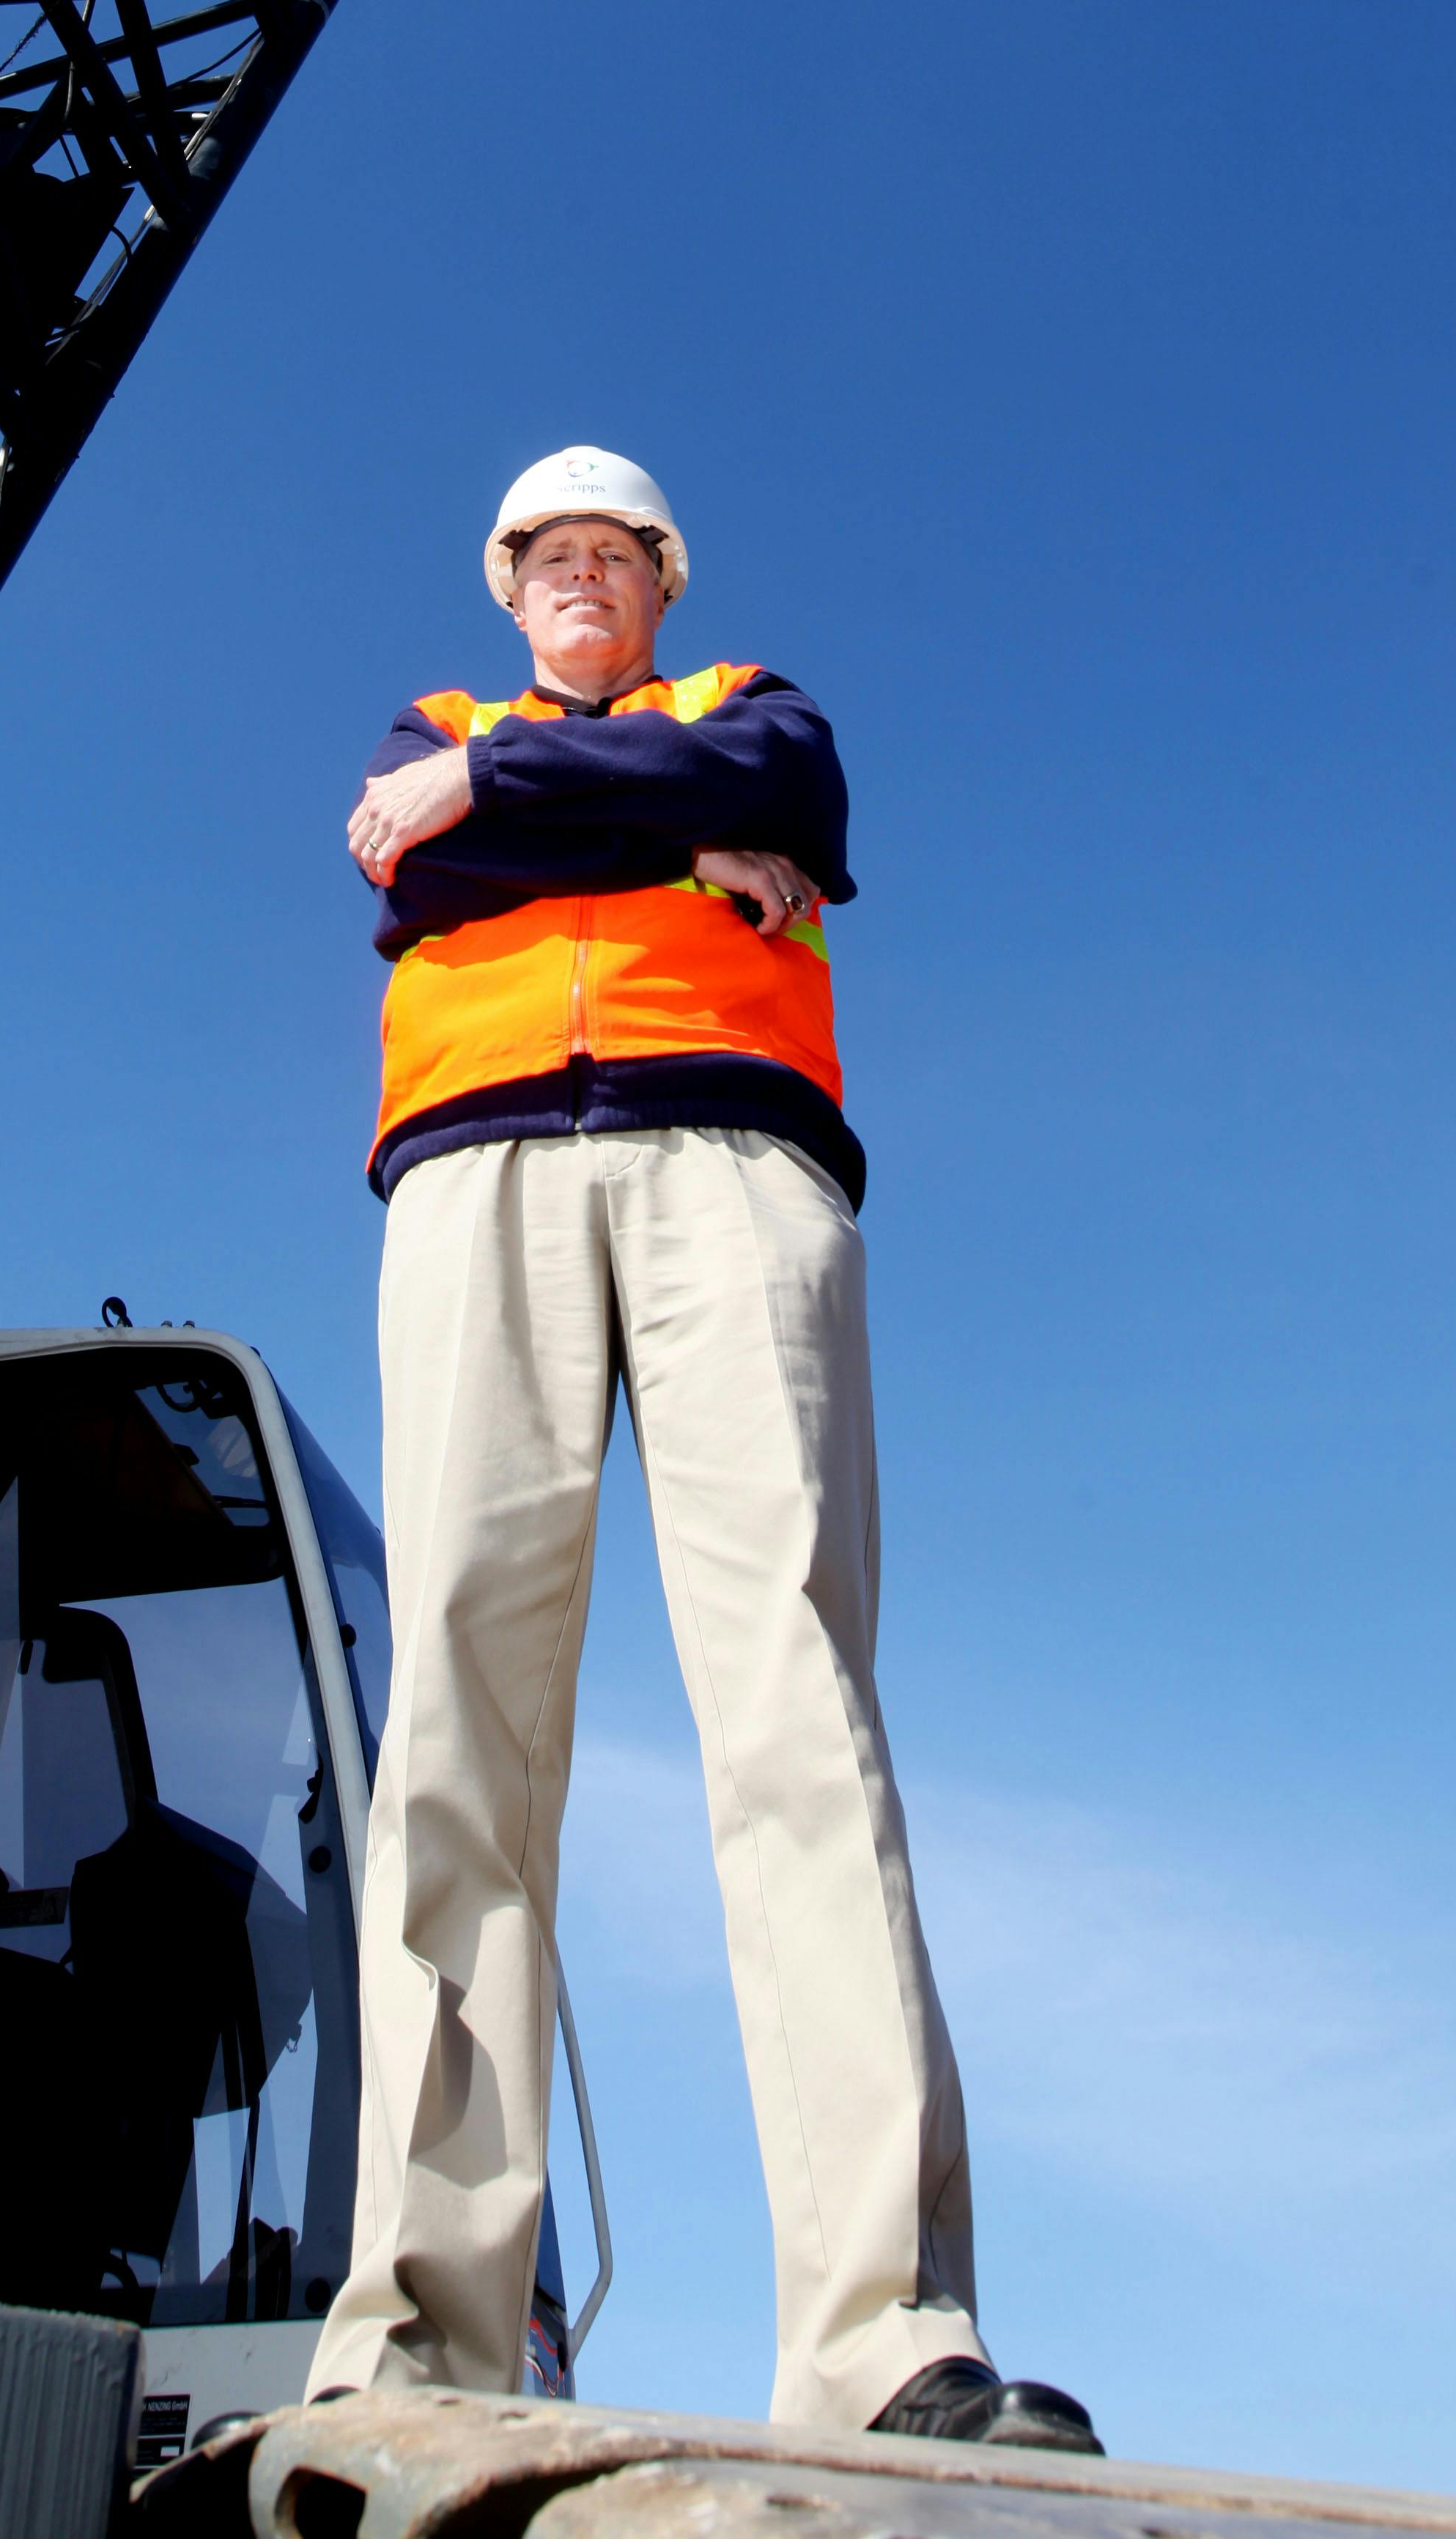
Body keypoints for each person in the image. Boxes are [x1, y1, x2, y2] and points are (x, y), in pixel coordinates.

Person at [302, 448, 1099, 2450]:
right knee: (457, 1740)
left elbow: (791, 801)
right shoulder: (438, 732)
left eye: (610, 556)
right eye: (546, 559)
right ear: (509, 591)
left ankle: (884, 2334)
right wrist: (658, 844)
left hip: (735, 1174)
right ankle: (423, 2334)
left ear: (659, 580)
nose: (580, 580)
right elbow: (418, 868)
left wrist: (534, 810)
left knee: (796, 1716)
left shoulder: (754, 705)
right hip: (479, 1183)